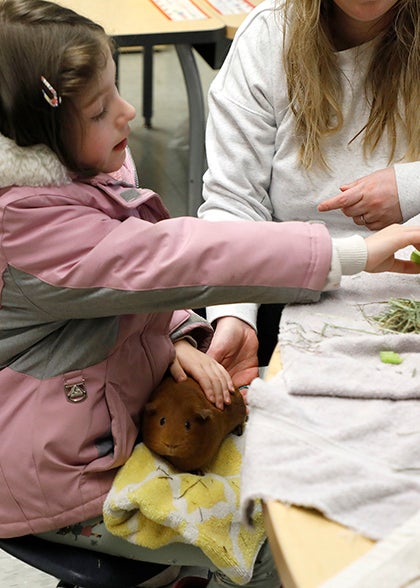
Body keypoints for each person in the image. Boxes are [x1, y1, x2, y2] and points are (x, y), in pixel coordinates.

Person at [1, 1, 420, 588]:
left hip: (99, 420)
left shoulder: (75, 178)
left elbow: (129, 275)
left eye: (118, 92)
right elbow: (172, 258)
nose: (130, 113)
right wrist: (352, 253)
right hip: (56, 476)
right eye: (102, 108)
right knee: (284, 533)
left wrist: (176, 333)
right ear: (38, 139)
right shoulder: (30, 225)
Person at [198, 0, 420, 384]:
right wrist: (233, 314)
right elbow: (233, 201)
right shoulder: (270, 35)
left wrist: (411, 187)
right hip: (295, 287)